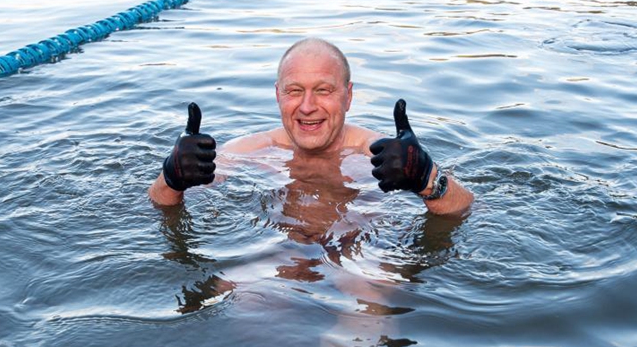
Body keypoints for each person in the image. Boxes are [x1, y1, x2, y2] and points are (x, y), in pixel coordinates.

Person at [148, 37, 474, 216]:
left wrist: (428, 179)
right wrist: (172, 178)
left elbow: (472, 210)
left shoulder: (384, 155)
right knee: (239, 296)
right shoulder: (250, 151)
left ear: (348, 96)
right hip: (275, 247)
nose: (307, 106)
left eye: (323, 90)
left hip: (362, 250)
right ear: (277, 95)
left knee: (365, 308)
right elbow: (158, 203)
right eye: (294, 91)